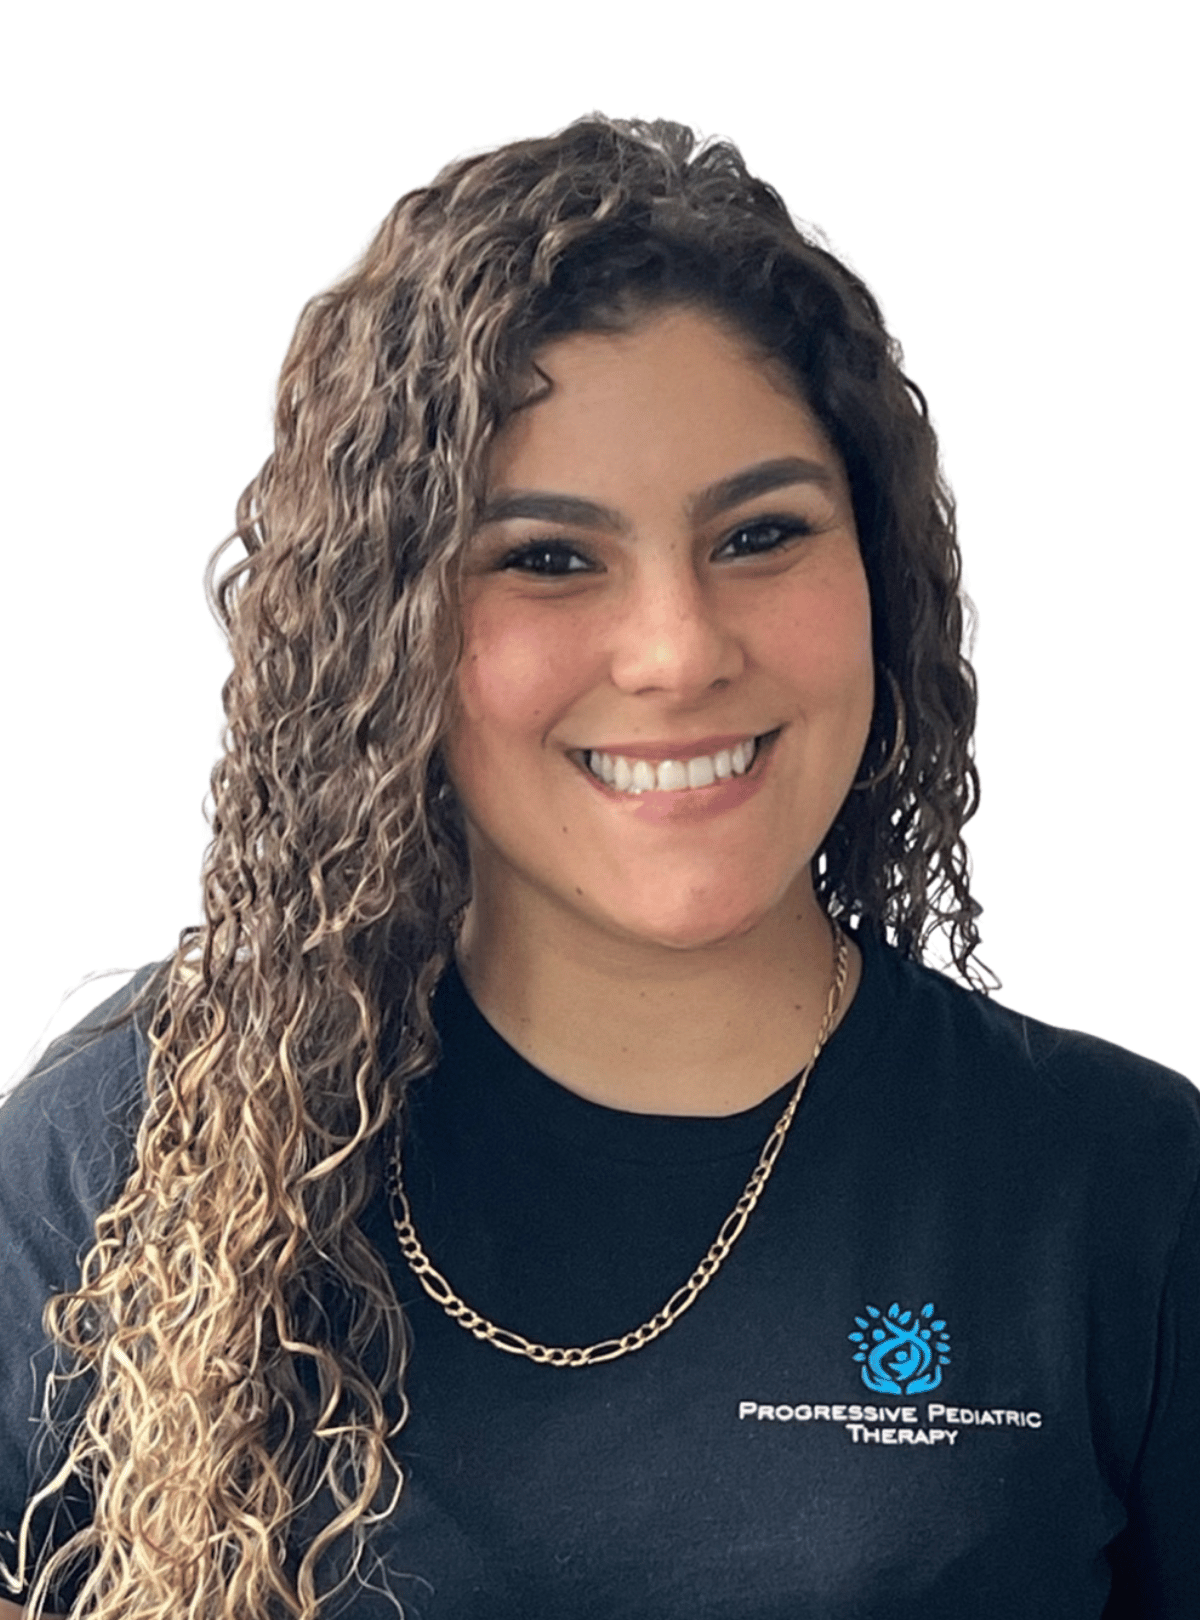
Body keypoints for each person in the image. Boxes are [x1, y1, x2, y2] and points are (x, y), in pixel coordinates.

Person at [1, 115, 1196, 1620]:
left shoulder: (1129, 1195)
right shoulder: (138, 1166)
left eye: (761, 533)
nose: (679, 651)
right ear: (391, 635)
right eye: (550, 558)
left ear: (882, 577)